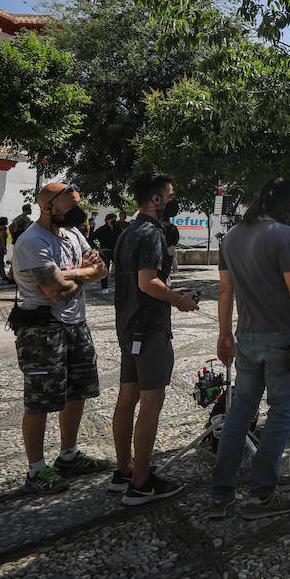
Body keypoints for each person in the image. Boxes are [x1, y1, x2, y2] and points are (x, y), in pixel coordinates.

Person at [209, 177, 290, 519]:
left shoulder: (231, 237)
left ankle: (221, 494)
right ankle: (262, 496)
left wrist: (224, 334)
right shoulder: (283, 236)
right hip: (283, 340)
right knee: (280, 414)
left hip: (245, 338)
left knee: (239, 413)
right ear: (283, 204)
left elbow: (224, 290)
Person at [11, 182, 110, 494]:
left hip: (76, 324)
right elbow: (53, 291)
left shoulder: (74, 234)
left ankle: (68, 456)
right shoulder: (31, 241)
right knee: (39, 400)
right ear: (48, 206)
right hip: (42, 330)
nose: (77, 211)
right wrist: (82, 272)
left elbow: (102, 270)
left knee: (77, 392)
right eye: (71, 204)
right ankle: (36, 470)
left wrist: (70, 274)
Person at [110, 172, 200, 506]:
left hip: (128, 327)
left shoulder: (127, 232)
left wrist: (170, 292)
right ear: (156, 199)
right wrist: (181, 301)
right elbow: (149, 282)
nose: (174, 200)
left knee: (127, 400)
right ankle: (142, 483)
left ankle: (124, 470)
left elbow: (139, 283)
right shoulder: (151, 233)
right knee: (150, 405)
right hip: (150, 331)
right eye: (171, 194)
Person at [93, 213, 120, 291]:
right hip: (105, 251)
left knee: (119, 269)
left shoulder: (117, 228)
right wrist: (98, 248)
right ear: (108, 220)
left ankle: (119, 286)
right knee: (105, 269)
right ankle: (104, 287)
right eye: (113, 219)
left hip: (115, 251)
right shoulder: (101, 229)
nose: (114, 221)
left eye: (115, 219)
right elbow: (93, 238)